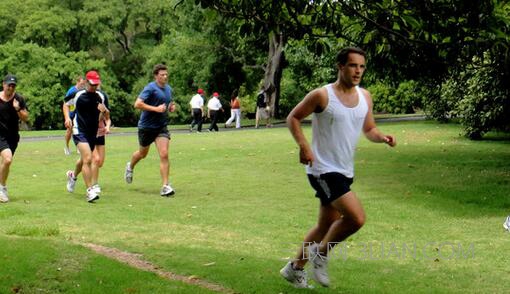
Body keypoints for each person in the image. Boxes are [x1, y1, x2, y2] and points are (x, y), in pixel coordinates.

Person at [280, 47, 396, 288]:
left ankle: (295, 269)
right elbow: (293, 117)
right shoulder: (323, 96)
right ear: (340, 66)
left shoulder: (365, 96)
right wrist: (303, 146)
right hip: (321, 169)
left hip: (344, 170)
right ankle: (320, 255)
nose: (358, 71)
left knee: (325, 225)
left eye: (362, 66)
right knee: (356, 218)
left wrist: (382, 137)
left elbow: (369, 129)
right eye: (353, 65)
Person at [124, 64, 176, 197]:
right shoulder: (150, 88)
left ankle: (165, 186)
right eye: (162, 75)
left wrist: (171, 107)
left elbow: (168, 102)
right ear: (156, 76)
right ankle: (130, 166)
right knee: (142, 154)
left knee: (164, 154)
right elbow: (137, 104)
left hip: (161, 127)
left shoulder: (169, 89)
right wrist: (156, 109)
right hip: (146, 127)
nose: (165, 77)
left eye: (166, 74)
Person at [63, 70, 109, 203]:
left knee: (83, 159)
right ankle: (90, 191)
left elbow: (106, 115)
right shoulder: (77, 94)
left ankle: (72, 175)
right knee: (88, 158)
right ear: (86, 82)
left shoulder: (100, 96)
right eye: (92, 84)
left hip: (92, 132)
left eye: (96, 85)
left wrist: (104, 111)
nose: (94, 87)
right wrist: (67, 118)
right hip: (79, 130)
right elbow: (66, 104)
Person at [0, 74, 29, 203]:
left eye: (13, 86)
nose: (10, 88)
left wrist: (17, 109)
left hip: (12, 136)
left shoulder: (18, 99)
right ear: (3, 84)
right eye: (8, 85)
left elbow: (25, 117)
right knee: (7, 159)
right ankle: (2, 189)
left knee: (7, 161)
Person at [63, 75, 86, 155]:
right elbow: (66, 103)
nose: (83, 85)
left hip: (79, 114)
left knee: (79, 131)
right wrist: (67, 117)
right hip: (71, 114)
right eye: (81, 84)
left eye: (84, 84)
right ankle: (66, 147)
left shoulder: (83, 91)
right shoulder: (72, 91)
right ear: (77, 82)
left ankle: (78, 148)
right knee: (69, 130)